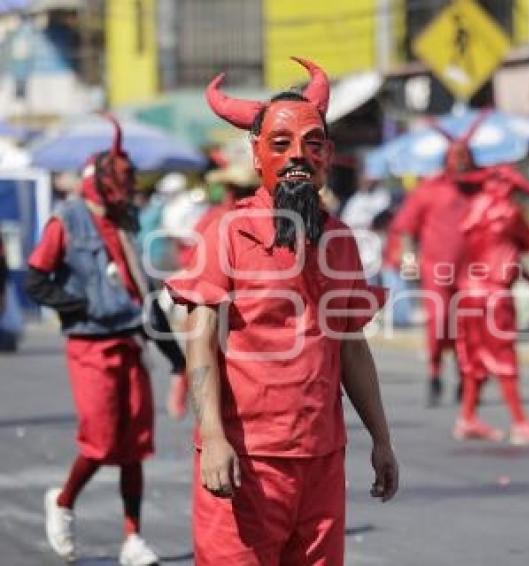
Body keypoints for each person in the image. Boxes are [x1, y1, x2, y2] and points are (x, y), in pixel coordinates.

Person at [165, 57, 399, 566]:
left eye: (312, 144)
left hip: (321, 463)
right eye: (281, 144)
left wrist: (382, 440)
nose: (298, 156)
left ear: (328, 155)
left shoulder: (339, 241)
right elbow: (199, 337)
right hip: (248, 461)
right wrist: (211, 436)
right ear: (256, 155)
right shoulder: (226, 233)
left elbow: (351, 349)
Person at [24, 115, 186, 565]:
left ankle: (132, 539)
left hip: (130, 342)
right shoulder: (67, 219)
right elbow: (36, 279)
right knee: (100, 439)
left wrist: (177, 359)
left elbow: (146, 297)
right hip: (90, 345)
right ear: (101, 181)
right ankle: (63, 501)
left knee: (134, 444)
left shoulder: (127, 223)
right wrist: (78, 306)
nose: (124, 191)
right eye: (118, 182)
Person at [389, 112, 490, 407]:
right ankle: (434, 371)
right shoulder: (428, 191)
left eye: (465, 156)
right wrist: (408, 259)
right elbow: (406, 229)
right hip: (437, 271)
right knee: (439, 322)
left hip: (473, 273)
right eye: (455, 156)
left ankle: (465, 377)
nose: (460, 162)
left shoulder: (481, 190)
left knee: (469, 328)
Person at [452, 164, 529, 445]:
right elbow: (527, 244)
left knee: (475, 359)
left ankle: (468, 418)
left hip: (468, 293)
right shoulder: (508, 213)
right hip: (494, 296)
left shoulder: (474, 212)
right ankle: (520, 423)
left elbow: (503, 255)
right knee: (504, 358)